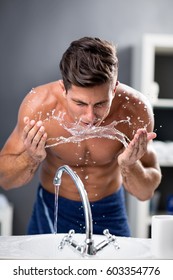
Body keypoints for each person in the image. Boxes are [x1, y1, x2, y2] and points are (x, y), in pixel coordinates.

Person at [0, 37, 161, 237]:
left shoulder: (134, 110)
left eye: (101, 104)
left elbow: (145, 193)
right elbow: (5, 180)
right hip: (54, 208)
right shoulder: (39, 107)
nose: (90, 117)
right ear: (63, 88)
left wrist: (129, 165)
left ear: (114, 88)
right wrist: (30, 158)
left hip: (109, 210)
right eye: (80, 103)